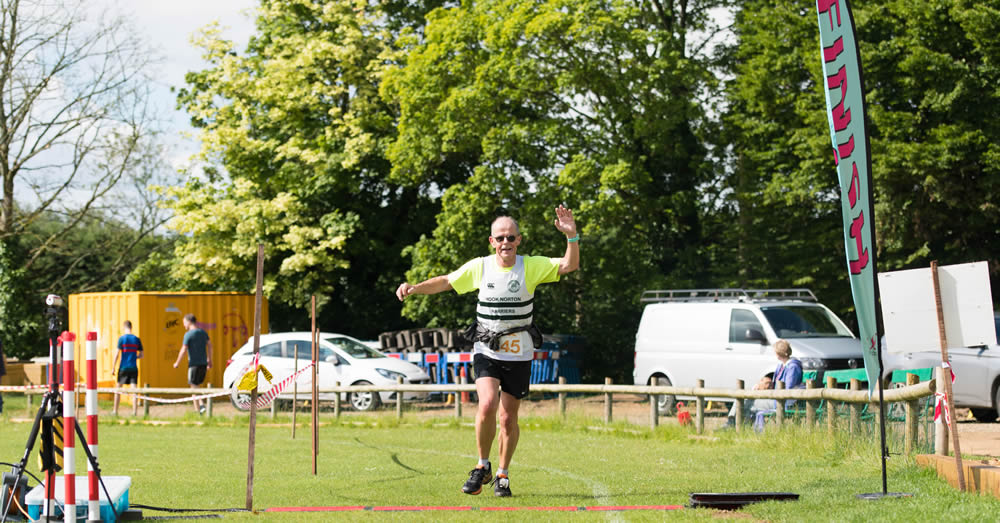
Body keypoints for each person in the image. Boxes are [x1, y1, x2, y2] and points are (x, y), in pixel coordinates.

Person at [395, 205, 579, 497]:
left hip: (519, 352)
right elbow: (446, 281)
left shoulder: (530, 266)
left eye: (511, 237)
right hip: (487, 348)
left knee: (508, 418)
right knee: (486, 404)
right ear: (491, 242)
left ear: (519, 240)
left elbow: (569, 266)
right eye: (500, 238)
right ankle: (482, 466)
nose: (506, 242)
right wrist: (415, 287)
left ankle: (502, 475)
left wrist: (572, 237)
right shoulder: (480, 267)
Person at [173, 314, 212, 414]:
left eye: (184, 323)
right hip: (203, 364)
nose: (184, 325)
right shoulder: (203, 333)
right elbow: (210, 345)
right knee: (197, 386)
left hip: (193, 364)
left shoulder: (188, 334)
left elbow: (183, 350)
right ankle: (201, 406)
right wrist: (209, 360)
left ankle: (198, 409)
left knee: (193, 388)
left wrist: (177, 362)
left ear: (189, 322)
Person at [112, 320, 143, 415]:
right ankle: (134, 412)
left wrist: (113, 367)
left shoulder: (122, 339)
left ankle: (115, 411)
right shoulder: (137, 339)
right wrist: (134, 357)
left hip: (123, 368)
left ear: (124, 327)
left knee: (118, 390)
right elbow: (141, 355)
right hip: (133, 367)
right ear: (131, 327)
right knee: (134, 391)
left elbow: (117, 354)